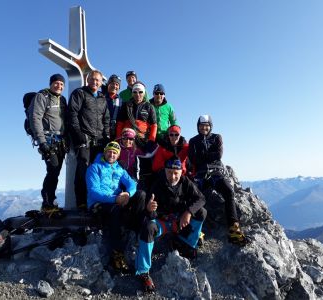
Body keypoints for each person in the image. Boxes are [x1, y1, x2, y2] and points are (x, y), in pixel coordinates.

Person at [135, 156, 206, 292]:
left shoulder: (185, 182)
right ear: (165, 171)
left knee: (201, 212)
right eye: (169, 172)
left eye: (176, 173)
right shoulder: (157, 184)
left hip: (179, 221)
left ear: (181, 172)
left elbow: (201, 198)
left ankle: (186, 244)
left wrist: (189, 212)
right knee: (148, 227)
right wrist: (149, 209)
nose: (172, 176)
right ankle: (143, 272)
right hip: (162, 221)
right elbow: (149, 212)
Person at [86, 141, 146, 272]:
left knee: (141, 194)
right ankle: (116, 253)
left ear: (118, 155)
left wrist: (127, 194)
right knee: (116, 210)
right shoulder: (94, 168)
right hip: (99, 204)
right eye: (109, 151)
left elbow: (132, 184)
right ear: (105, 152)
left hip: (118, 200)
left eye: (115, 153)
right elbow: (94, 191)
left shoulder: (119, 169)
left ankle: (134, 230)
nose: (111, 155)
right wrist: (115, 199)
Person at [188, 115, 248, 246]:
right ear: (198, 127)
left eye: (207, 125)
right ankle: (198, 231)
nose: (204, 128)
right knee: (196, 197)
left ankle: (234, 228)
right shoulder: (193, 141)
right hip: (201, 174)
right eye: (201, 126)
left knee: (228, 191)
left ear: (210, 126)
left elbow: (219, 155)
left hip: (217, 172)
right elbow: (193, 159)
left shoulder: (217, 137)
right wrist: (209, 156)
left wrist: (202, 157)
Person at [69, 70, 110, 210]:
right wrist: (79, 135)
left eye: (97, 80)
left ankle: (95, 201)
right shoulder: (79, 94)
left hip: (99, 141)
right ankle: (81, 202)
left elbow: (106, 119)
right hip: (84, 140)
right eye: (92, 79)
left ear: (100, 82)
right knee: (83, 170)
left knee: (97, 171)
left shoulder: (102, 98)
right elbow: (72, 114)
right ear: (87, 80)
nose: (95, 82)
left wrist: (107, 136)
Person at [28, 73, 68, 215]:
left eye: (62, 84)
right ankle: (47, 203)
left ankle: (51, 202)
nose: (59, 86)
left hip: (61, 141)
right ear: (51, 83)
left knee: (55, 172)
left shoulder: (62, 99)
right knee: (52, 171)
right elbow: (35, 118)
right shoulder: (42, 96)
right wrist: (42, 142)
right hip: (48, 140)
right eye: (57, 83)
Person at [116, 81, 157, 152]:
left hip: (142, 139)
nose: (137, 94)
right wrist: (119, 137)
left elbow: (154, 125)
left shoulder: (149, 106)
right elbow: (120, 123)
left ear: (144, 93)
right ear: (132, 93)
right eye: (135, 92)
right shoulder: (126, 105)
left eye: (140, 92)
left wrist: (151, 140)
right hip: (127, 139)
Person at [105, 74, 122, 140]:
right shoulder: (101, 98)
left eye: (117, 84)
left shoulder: (121, 102)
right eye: (112, 83)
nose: (114, 86)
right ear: (108, 84)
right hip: (101, 133)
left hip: (116, 134)